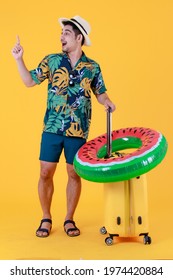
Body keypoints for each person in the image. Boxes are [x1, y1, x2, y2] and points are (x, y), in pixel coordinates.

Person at [11, 15, 116, 238]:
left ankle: (69, 218)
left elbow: (100, 92)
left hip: (78, 129)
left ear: (79, 38)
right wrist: (19, 59)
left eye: (66, 33)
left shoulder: (92, 67)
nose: (61, 37)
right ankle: (46, 217)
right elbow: (30, 81)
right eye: (61, 33)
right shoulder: (52, 61)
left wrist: (107, 101)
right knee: (45, 172)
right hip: (52, 127)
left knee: (73, 173)